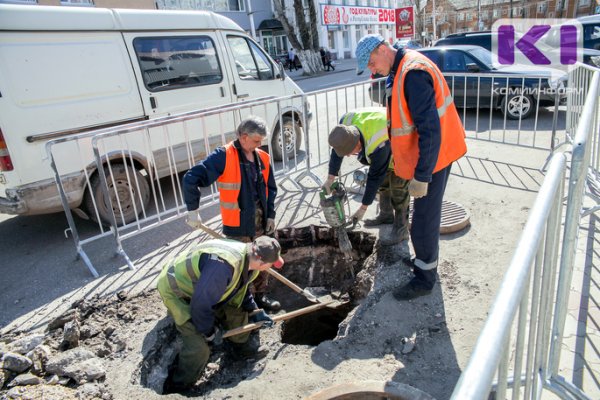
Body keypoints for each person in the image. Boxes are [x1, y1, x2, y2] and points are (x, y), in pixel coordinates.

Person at [355, 34, 467, 300]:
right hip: (430, 156)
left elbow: (430, 129)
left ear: (383, 50)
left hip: (435, 158)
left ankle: (424, 279)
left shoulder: (413, 73)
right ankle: (423, 263)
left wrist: (422, 176)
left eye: (371, 63)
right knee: (423, 218)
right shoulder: (402, 67)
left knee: (423, 222)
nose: (372, 70)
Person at [157, 236, 284, 392]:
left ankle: (239, 350)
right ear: (261, 262)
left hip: (205, 288)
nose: (271, 267)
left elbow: (240, 288)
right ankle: (179, 385)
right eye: (271, 265)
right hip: (179, 292)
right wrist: (210, 333)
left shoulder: (247, 258)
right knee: (199, 348)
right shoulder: (223, 267)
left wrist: (253, 310)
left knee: (237, 316)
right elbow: (200, 305)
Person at [182, 116, 280, 311]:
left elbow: (271, 188)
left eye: (261, 140)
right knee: (242, 266)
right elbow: (191, 178)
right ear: (243, 137)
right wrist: (193, 211)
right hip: (238, 225)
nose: (261, 145)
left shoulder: (262, 157)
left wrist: (270, 215)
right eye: (256, 141)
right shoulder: (224, 156)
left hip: (261, 221)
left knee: (264, 258)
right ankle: (246, 304)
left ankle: (261, 295)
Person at [321, 107, 409, 245]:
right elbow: (337, 151)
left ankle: (401, 229)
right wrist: (330, 178)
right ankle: (386, 215)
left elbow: (374, 176)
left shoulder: (377, 141)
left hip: (402, 145)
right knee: (383, 183)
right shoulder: (344, 126)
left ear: (358, 142)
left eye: (351, 152)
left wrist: (363, 208)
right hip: (385, 140)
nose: (350, 155)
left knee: (399, 188)